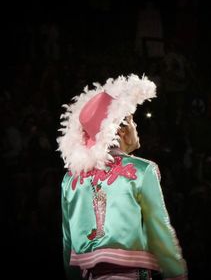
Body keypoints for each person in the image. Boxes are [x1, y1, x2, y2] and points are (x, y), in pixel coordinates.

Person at [57, 74, 188, 280]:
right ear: (123, 128)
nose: (136, 126)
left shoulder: (71, 180)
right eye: (132, 120)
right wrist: (177, 274)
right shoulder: (142, 171)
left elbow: (68, 246)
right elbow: (159, 231)